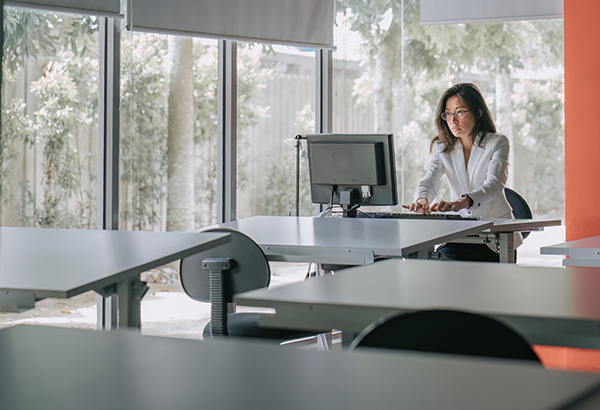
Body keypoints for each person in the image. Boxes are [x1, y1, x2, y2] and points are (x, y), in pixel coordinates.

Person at [408, 82, 521, 262]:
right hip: (460, 233)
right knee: (433, 263)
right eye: (448, 113)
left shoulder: (498, 142)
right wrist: (422, 199)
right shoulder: (442, 146)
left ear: (478, 112)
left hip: (494, 238)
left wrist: (463, 201)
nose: (453, 120)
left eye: (460, 112)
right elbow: (431, 178)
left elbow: (494, 185)